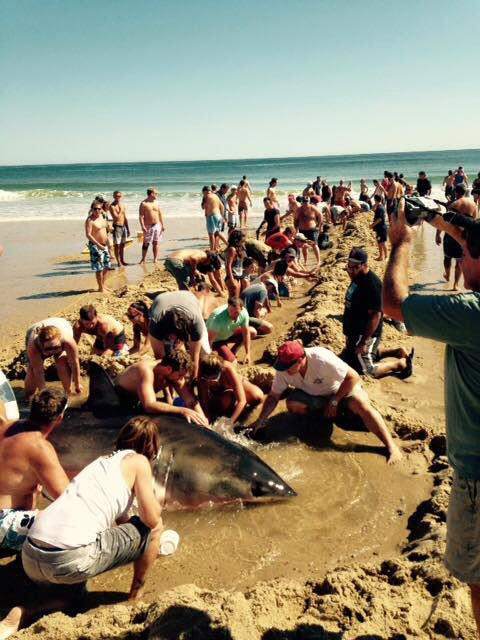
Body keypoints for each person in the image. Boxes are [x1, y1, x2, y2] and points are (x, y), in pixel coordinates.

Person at [383, 197, 480, 633]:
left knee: (478, 580)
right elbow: (472, 238)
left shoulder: (471, 314)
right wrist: (443, 219)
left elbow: (394, 303)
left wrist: (401, 241)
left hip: (477, 473)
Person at [22, 416, 164, 603]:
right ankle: (135, 596)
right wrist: (156, 500)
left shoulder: (101, 462)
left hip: (31, 557)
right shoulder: (139, 461)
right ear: (151, 449)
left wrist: (145, 549)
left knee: (75, 597)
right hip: (67, 561)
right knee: (156, 529)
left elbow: (124, 524)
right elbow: (151, 521)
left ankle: (24, 611)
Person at [251, 341, 402, 463]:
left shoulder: (321, 358)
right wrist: (260, 420)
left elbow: (353, 377)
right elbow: (273, 397)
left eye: (286, 367)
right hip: (315, 396)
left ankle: (390, 446)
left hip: (341, 391)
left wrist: (335, 401)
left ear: (300, 360)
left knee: (360, 404)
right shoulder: (283, 369)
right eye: (281, 366)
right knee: (292, 403)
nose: (282, 370)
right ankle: (320, 422)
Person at [0, 389, 68, 555]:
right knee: (71, 520)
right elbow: (68, 497)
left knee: (34, 488)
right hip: (3, 523)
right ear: (59, 418)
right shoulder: (40, 448)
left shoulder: (5, 425)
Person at [341, 248, 412, 379]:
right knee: (350, 358)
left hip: (365, 333)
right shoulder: (357, 277)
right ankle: (396, 351)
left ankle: (399, 364)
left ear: (364, 265)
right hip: (354, 332)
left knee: (367, 371)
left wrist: (363, 342)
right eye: (348, 267)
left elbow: (376, 315)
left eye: (354, 267)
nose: (350, 271)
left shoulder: (372, 285)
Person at [114, 349, 207, 425]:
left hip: (136, 401)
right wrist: (183, 410)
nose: (181, 379)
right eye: (180, 375)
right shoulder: (146, 371)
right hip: (116, 400)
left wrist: (202, 419)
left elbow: (190, 400)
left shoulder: (173, 373)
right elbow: (149, 405)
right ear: (168, 369)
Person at [148, 290, 211, 380]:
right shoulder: (155, 323)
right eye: (171, 336)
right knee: (168, 358)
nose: (173, 339)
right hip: (162, 299)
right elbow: (160, 360)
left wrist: (192, 379)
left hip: (189, 299)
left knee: (205, 352)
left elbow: (194, 358)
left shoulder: (196, 323)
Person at [198, 353, 264, 425]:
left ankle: (234, 409)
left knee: (257, 396)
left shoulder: (228, 369)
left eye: (212, 379)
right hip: (219, 394)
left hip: (231, 385)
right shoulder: (202, 374)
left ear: (220, 371)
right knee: (227, 401)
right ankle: (227, 408)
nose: (209, 382)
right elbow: (205, 402)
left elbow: (242, 400)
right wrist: (206, 419)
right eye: (207, 379)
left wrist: (229, 423)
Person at [24, 318, 82, 401]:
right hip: (34, 330)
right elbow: (39, 371)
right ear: (41, 343)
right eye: (48, 349)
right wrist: (43, 394)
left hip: (62, 324)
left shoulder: (67, 340)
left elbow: (74, 362)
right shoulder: (33, 345)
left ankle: (67, 394)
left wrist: (77, 384)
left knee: (61, 361)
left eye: (55, 348)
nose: (52, 351)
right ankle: (28, 399)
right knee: (32, 370)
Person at [207, 296, 253, 364]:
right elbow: (210, 340)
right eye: (231, 311)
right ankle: (225, 353)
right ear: (228, 307)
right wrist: (210, 357)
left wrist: (248, 354)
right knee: (234, 363)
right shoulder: (217, 317)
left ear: (241, 309)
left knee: (252, 331)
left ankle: (233, 351)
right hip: (216, 340)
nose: (233, 315)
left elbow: (246, 333)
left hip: (228, 333)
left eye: (236, 313)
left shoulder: (244, 313)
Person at [85, 201, 111, 292]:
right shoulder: (90, 220)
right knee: (99, 267)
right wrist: (98, 244)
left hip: (104, 245)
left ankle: (103, 285)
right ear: (91, 209)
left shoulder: (102, 217)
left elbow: (105, 230)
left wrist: (108, 242)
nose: (97, 210)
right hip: (96, 246)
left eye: (99, 209)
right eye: (95, 209)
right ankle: (100, 288)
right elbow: (88, 235)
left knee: (107, 265)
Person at [139, 187, 165, 264]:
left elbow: (160, 214)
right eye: (156, 193)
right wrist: (142, 226)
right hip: (148, 225)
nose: (157, 194)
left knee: (156, 242)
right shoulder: (144, 203)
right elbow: (141, 216)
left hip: (157, 225)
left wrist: (162, 225)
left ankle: (155, 259)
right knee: (146, 243)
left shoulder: (157, 202)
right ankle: (143, 259)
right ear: (151, 194)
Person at [293, 197, 322, 265]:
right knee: (304, 246)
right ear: (302, 202)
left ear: (309, 202)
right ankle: (305, 261)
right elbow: (295, 219)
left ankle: (318, 261)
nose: (306, 203)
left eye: (307, 202)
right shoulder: (299, 210)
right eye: (304, 202)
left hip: (312, 229)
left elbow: (320, 215)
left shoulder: (313, 208)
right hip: (302, 230)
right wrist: (296, 229)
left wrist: (319, 225)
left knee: (314, 244)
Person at [109, 191, 130, 266]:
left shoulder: (122, 205)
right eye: (117, 196)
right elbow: (116, 217)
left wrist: (128, 228)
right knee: (117, 245)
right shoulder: (112, 206)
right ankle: (118, 262)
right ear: (114, 196)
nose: (118, 198)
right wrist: (121, 210)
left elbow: (125, 217)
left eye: (119, 196)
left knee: (122, 245)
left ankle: (122, 260)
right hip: (117, 226)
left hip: (123, 226)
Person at [225, 229, 246, 297]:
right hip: (233, 277)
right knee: (234, 300)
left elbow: (238, 265)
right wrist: (232, 280)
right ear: (236, 240)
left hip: (239, 276)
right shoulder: (232, 249)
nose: (244, 241)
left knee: (238, 299)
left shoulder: (239, 248)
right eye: (242, 239)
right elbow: (228, 266)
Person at [371, 195, 388, 261]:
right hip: (379, 228)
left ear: (375, 200)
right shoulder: (379, 206)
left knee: (383, 243)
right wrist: (375, 205)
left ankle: (386, 256)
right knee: (379, 242)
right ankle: (381, 256)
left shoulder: (380, 208)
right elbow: (372, 209)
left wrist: (372, 225)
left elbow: (379, 219)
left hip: (382, 228)